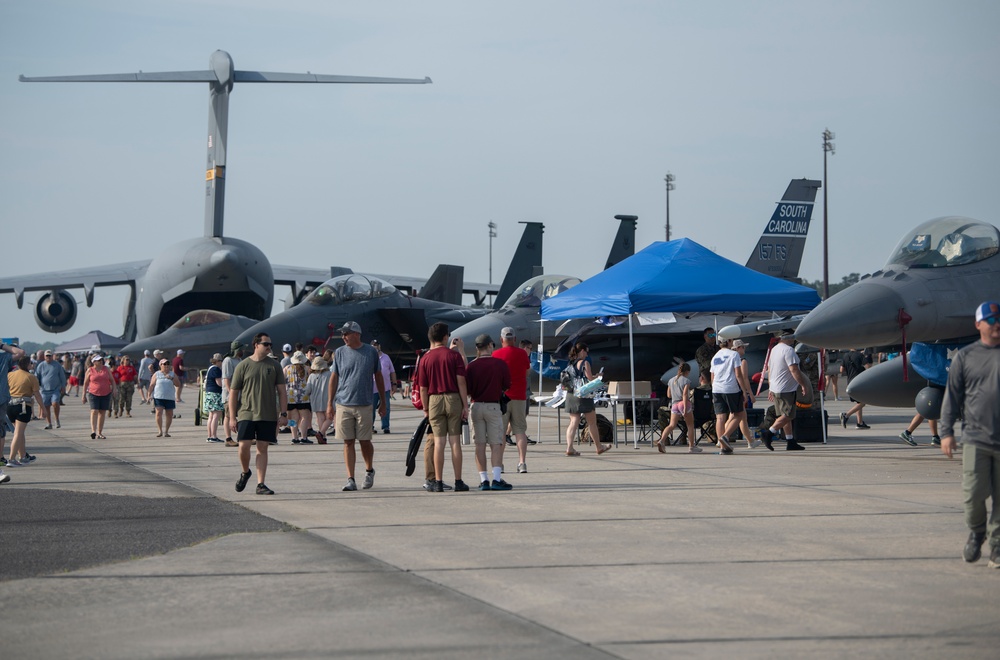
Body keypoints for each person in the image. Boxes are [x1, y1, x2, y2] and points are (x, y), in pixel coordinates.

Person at [940, 301, 1000, 568]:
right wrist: (946, 432)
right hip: (976, 437)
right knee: (973, 493)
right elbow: (952, 397)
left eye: (998, 319)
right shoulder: (965, 357)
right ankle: (977, 531)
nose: (996, 324)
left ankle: (997, 547)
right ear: (978, 325)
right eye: (990, 320)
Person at [326, 322, 385, 492]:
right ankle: (350, 478)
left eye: (346, 333)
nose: (343, 337)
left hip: (365, 403)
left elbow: (379, 376)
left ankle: (369, 470)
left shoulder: (370, 352)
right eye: (342, 334)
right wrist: (329, 403)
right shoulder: (339, 353)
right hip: (343, 403)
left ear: (357, 334)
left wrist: (383, 401)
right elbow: (333, 378)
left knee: (365, 441)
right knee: (348, 441)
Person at [227, 333, 287, 496]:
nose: (269, 347)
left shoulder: (275, 366)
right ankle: (245, 472)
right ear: (256, 345)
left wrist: (283, 413)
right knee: (243, 446)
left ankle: (261, 484)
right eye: (266, 344)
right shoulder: (243, 365)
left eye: (270, 344)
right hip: (246, 412)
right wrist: (232, 417)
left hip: (267, 414)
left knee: (262, 448)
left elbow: (282, 392)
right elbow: (233, 393)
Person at [416, 322, 469, 492]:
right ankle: (458, 481)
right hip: (453, 398)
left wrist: (426, 408)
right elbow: (461, 381)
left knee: (439, 443)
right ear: (446, 337)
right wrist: (465, 405)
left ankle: (437, 481)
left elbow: (422, 388)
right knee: (455, 442)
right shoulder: (453, 356)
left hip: (434, 400)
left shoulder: (425, 358)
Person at [465, 333, 513, 491]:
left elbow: (469, 389)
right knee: (496, 444)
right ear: (490, 345)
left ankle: (483, 479)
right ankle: (496, 479)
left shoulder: (471, 366)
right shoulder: (499, 364)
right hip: (493, 406)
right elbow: (507, 385)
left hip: (476, 405)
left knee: (479, 444)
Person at [759, 330, 810, 451]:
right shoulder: (788, 350)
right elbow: (794, 370)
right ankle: (769, 433)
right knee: (788, 414)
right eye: (791, 336)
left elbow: (770, 369)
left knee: (783, 414)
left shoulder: (775, 349)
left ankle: (790, 440)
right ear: (785, 337)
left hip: (776, 387)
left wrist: (771, 387)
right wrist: (803, 384)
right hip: (786, 388)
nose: (793, 338)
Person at [493, 326, 532, 473]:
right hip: (520, 397)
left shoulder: (496, 354)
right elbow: (527, 372)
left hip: (502, 398)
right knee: (520, 431)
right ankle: (522, 463)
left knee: (501, 432)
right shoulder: (522, 354)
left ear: (501, 339)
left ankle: (500, 464)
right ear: (514, 339)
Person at [562, 342, 612, 456]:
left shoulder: (570, 363)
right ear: (582, 351)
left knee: (573, 422)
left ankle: (569, 448)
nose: (587, 354)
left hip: (571, 394)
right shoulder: (585, 363)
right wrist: (598, 375)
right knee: (592, 423)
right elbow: (589, 378)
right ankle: (599, 447)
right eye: (586, 351)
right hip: (583, 395)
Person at [709, 338, 754, 454]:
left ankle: (723, 447)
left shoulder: (715, 357)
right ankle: (725, 436)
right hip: (730, 388)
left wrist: (714, 388)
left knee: (720, 417)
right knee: (738, 414)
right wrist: (744, 391)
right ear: (729, 342)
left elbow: (712, 376)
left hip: (716, 388)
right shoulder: (734, 355)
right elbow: (738, 374)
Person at [6, 355, 43, 467]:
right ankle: (11, 459)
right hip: (23, 406)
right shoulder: (31, 377)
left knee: (19, 432)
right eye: (31, 363)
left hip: (10, 406)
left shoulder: (10, 375)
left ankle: (23, 456)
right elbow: (37, 394)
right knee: (18, 433)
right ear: (28, 365)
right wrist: (43, 409)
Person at [656, 362, 701, 453]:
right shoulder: (686, 381)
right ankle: (692, 446)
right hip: (683, 403)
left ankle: (662, 440)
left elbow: (668, 395)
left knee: (672, 425)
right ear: (687, 372)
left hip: (674, 404)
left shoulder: (671, 380)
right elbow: (685, 394)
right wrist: (684, 407)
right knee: (690, 425)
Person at [0, 341, 26, 483]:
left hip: (1, 400)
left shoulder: (3, 358)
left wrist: (1, 345)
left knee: (1, 435)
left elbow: (21, 353)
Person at [82, 354, 116, 439]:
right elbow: (85, 383)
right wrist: (83, 395)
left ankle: (100, 432)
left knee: (102, 412)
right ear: (94, 362)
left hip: (106, 393)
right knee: (94, 411)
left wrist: (114, 389)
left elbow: (112, 380)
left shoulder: (106, 369)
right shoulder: (90, 370)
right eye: (98, 360)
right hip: (93, 393)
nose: (101, 362)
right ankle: (93, 431)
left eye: (101, 360)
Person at [284, 351, 313, 444]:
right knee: (304, 417)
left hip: (290, 396)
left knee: (293, 418)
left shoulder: (286, 368)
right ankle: (304, 437)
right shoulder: (307, 368)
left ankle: (294, 437)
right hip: (303, 397)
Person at [34, 349, 67, 429]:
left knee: (55, 403)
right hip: (44, 390)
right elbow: (36, 376)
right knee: (46, 406)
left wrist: (63, 386)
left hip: (55, 389)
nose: (48, 357)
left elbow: (62, 376)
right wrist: (35, 385)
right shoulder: (41, 365)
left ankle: (57, 419)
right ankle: (49, 423)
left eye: (50, 355)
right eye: (47, 356)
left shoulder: (57, 365)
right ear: (44, 357)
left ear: (52, 356)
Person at [221, 340, 245, 446]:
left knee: (241, 415)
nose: (244, 350)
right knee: (228, 416)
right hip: (229, 395)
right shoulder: (228, 360)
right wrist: (231, 393)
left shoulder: (240, 360)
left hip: (240, 394)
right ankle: (228, 438)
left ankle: (242, 436)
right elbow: (226, 378)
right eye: (242, 349)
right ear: (237, 350)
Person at [839, 348, 871, 429]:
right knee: (862, 403)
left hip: (850, 382)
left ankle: (859, 422)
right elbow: (868, 367)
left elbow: (841, 370)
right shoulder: (860, 355)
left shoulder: (845, 356)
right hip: (859, 381)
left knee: (858, 402)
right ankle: (846, 415)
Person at [150, 358, 181, 437]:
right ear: (160, 365)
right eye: (164, 364)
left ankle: (166, 431)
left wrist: (171, 378)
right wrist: (148, 395)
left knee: (169, 414)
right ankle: (160, 431)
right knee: (158, 413)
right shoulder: (157, 374)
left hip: (169, 397)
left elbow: (178, 384)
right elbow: (152, 385)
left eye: (168, 364)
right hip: (158, 396)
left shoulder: (172, 374)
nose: (166, 366)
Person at [371, 340, 396, 434]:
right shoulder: (370, 357)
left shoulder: (386, 357)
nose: (375, 347)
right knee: (371, 408)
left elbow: (392, 371)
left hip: (385, 388)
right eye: (373, 345)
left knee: (386, 407)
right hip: (372, 388)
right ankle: (370, 426)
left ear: (379, 346)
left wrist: (394, 384)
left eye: (376, 345)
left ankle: (386, 426)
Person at [306, 356, 332, 444]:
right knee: (330, 417)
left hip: (315, 399)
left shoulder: (311, 376)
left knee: (320, 418)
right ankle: (321, 434)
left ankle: (323, 436)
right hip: (328, 398)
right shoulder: (329, 374)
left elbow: (308, 389)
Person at [204, 353, 225, 443]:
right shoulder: (216, 369)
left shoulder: (210, 368)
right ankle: (214, 436)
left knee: (211, 416)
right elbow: (219, 383)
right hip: (215, 393)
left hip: (209, 393)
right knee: (216, 415)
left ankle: (209, 436)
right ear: (219, 361)